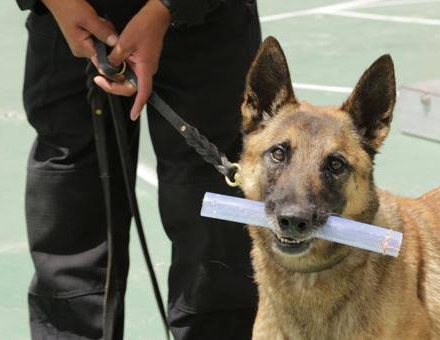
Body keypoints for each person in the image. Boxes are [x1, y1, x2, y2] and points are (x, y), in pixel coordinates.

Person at [15, 0, 262, 338]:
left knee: (213, 227)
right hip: (70, 21)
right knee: (72, 210)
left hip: (206, 21)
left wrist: (167, 8)